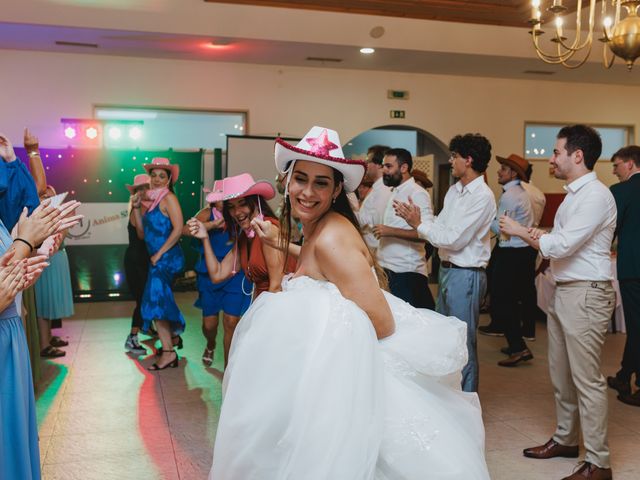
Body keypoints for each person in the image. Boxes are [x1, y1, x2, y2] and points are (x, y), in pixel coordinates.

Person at [208, 126, 489, 479]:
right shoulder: (319, 229)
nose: (307, 192)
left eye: (321, 183)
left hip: (349, 381)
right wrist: (282, 247)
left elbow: (382, 323)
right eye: (301, 179)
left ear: (338, 188)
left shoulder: (331, 238)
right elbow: (320, 270)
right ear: (286, 181)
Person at [500, 125, 616, 480]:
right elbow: (564, 238)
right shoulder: (574, 194)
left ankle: (599, 462)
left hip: (587, 292)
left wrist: (521, 231)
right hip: (568, 289)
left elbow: (563, 247)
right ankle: (566, 439)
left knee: (586, 380)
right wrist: (542, 234)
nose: (551, 158)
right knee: (561, 375)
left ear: (577, 156)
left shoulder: (595, 195)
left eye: (556, 151)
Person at [394, 133, 496, 393]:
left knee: (463, 343)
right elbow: (440, 226)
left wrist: (419, 225)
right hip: (447, 270)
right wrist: (421, 224)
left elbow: (453, 239)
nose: (451, 161)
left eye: (454, 156)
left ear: (469, 160)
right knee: (446, 340)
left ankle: (466, 401)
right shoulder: (455, 191)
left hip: (467, 274)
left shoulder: (482, 196)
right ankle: (449, 396)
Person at [0, 197, 82, 480]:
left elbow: (6, 277)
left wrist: (33, 249)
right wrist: (24, 242)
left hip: (10, 338)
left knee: (14, 435)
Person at [184, 181, 252, 367]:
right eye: (223, 200)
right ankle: (211, 344)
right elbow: (185, 229)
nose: (227, 203)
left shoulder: (239, 215)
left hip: (235, 273)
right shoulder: (207, 213)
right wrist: (212, 225)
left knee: (231, 321)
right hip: (210, 275)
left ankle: (229, 370)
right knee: (209, 325)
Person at [132, 157, 185, 371]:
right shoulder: (151, 202)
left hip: (168, 259)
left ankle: (169, 352)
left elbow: (179, 228)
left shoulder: (169, 198)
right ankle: (171, 342)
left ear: (169, 179)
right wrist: (136, 208)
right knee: (157, 303)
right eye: (153, 175)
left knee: (156, 303)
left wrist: (159, 254)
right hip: (156, 259)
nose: (156, 179)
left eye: (161, 176)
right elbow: (142, 235)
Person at [487, 154, 536, 367]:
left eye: (504, 169)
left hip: (512, 253)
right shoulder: (519, 193)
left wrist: (486, 216)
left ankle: (518, 347)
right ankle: (516, 342)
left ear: (513, 173)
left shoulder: (510, 196)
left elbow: (502, 228)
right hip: (519, 251)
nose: (499, 171)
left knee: (502, 300)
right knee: (509, 299)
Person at [374, 148, 435, 310]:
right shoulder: (394, 192)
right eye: (383, 166)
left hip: (406, 271)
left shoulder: (417, 193)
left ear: (404, 168)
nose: (384, 171)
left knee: (408, 325)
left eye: (388, 166)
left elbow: (427, 233)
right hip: (388, 268)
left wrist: (390, 231)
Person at [606, 145, 640, 406]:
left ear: (630, 164)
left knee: (637, 326)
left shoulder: (620, 191)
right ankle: (623, 374)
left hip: (633, 268)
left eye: (616, 164)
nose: (614, 170)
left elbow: (608, 229)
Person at [34, 185, 75, 358]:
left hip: (57, 258)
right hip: (45, 260)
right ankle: (44, 345)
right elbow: (54, 242)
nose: (51, 200)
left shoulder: (56, 216)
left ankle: (49, 337)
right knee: (45, 302)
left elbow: (60, 239)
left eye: (53, 196)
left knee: (51, 301)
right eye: (45, 197)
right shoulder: (37, 218)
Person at [123, 174, 151, 356]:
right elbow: (141, 235)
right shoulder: (137, 209)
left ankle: (147, 327)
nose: (142, 192)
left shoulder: (147, 209)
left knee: (147, 297)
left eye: (145, 188)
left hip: (143, 259)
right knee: (142, 300)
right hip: (136, 261)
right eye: (138, 189)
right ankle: (132, 338)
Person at [354, 145, 391, 254]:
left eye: (368, 161)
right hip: (371, 247)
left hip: (376, 249)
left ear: (379, 165)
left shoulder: (383, 189)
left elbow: (377, 222)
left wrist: (350, 213)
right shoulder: (377, 188)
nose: (365, 165)